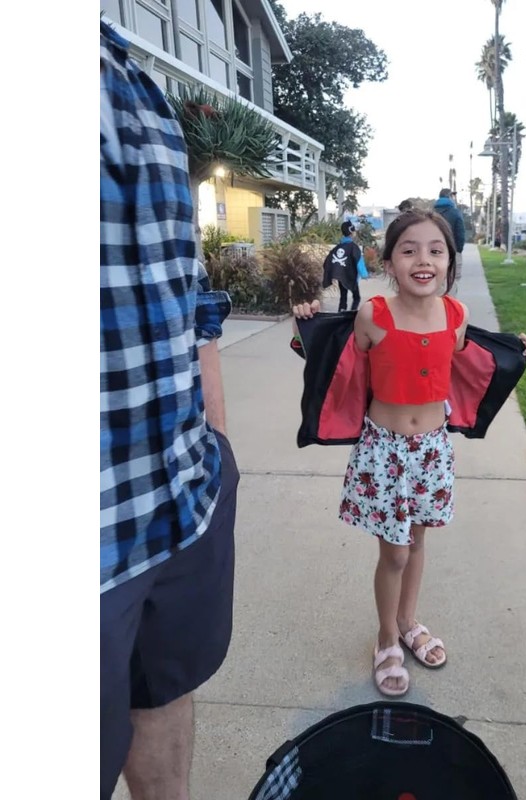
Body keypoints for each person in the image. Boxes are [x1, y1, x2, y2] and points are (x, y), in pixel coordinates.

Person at [291, 210, 526, 697]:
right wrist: (306, 323)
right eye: (409, 250)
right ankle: (387, 638)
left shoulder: (455, 315)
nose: (423, 260)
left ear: (449, 263)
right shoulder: (373, 315)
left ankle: (408, 621)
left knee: (418, 543)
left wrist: (515, 349)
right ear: (388, 263)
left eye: (435, 251)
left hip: (431, 451)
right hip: (384, 452)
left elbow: (472, 355)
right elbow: (332, 355)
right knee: (396, 553)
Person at [100, 20, 240, 800]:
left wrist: (216, 444)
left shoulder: (134, 81)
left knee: (163, 692)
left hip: (181, 502)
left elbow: (185, 294)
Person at [322, 221, 369, 312]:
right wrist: (364, 274)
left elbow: (327, 261)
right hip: (351, 277)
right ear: (351, 232)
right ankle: (352, 314)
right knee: (356, 297)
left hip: (341, 277)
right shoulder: (353, 247)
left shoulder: (337, 247)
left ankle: (341, 313)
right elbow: (359, 261)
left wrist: (331, 272)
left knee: (343, 297)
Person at [433, 188, 466, 279]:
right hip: (452, 250)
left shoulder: (431, 213)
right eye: (452, 196)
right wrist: (458, 250)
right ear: (449, 197)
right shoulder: (455, 213)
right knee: (453, 279)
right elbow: (460, 234)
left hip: (434, 252)